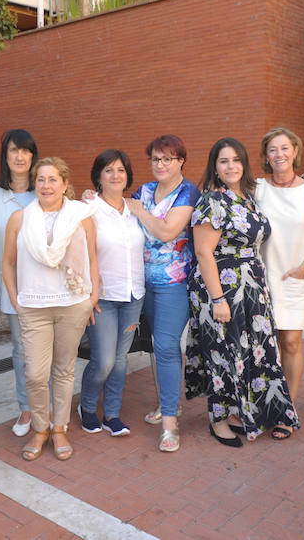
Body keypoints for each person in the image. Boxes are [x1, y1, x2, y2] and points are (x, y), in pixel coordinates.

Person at [186, 138, 299, 445]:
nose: (231, 166)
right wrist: (219, 299)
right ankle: (219, 420)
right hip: (219, 286)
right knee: (223, 353)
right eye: (224, 161)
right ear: (215, 166)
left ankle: (242, 410)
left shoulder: (248, 198)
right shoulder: (212, 201)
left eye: (236, 160)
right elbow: (204, 253)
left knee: (251, 352)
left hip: (251, 285)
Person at [2, 157, 99, 461]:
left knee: (64, 369)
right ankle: (39, 427)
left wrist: (92, 298)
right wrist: (17, 300)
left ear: (65, 184)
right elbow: (7, 263)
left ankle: (58, 429)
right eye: (41, 179)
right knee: (35, 374)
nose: (46, 185)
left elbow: (93, 259)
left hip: (72, 305)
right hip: (34, 307)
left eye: (53, 179)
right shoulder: (20, 218)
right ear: (35, 184)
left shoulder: (81, 216)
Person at [126, 134, 201, 452]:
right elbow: (114, 209)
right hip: (144, 283)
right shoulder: (143, 191)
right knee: (158, 349)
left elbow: (169, 230)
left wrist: (141, 213)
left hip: (175, 284)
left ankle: (170, 425)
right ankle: (166, 405)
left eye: (166, 159)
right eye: (155, 159)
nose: (160, 165)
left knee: (168, 346)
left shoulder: (188, 191)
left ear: (181, 160)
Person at [255, 127, 304, 439]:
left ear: (295, 152)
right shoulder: (256, 187)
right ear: (266, 156)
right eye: (273, 150)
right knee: (260, 346)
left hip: (296, 275)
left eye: (284, 148)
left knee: (291, 342)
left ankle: (286, 408)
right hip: (261, 276)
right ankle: (258, 405)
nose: (279, 155)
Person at [77, 150, 145, 437]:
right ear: (98, 177)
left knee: (120, 360)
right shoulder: (89, 209)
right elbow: (79, 254)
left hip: (134, 295)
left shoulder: (136, 210)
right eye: (108, 170)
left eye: (120, 170)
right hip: (103, 296)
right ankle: (88, 407)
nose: (116, 175)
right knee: (103, 360)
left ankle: (112, 415)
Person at [0, 129, 38, 437]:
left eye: (26, 151)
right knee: (21, 349)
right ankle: (26, 408)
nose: (20, 157)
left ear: (33, 156)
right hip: (12, 287)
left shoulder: (45, 190)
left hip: (46, 288)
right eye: (14, 151)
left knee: (48, 350)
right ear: (5, 157)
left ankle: (49, 408)